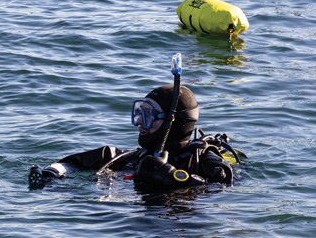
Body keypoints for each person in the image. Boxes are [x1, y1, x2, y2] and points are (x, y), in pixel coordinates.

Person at [28, 82, 241, 193]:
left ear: (172, 123)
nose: (139, 122)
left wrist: (172, 177)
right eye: (139, 112)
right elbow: (71, 164)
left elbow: (222, 189)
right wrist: (51, 174)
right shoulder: (131, 158)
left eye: (148, 116)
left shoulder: (205, 161)